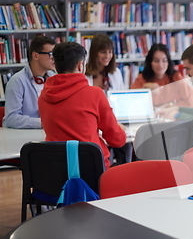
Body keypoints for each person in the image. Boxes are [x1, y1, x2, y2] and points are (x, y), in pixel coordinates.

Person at [38, 41, 126, 169]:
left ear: (55, 65)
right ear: (80, 66)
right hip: (93, 170)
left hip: (56, 171)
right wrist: (121, 131)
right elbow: (116, 140)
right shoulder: (95, 94)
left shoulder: (43, 97)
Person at [85, 33, 131, 165]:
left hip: (113, 121)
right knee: (103, 152)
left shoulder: (115, 73)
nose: (107, 56)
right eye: (103, 52)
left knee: (127, 145)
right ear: (94, 53)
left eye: (110, 52)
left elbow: (121, 98)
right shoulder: (85, 74)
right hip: (93, 123)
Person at [3, 35, 56, 128]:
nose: (54, 58)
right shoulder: (17, 81)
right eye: (50, 54)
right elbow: (11, 119)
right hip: (24, 136)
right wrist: (45, 122)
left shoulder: (54, 77)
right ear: (35, 55)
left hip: (49, 132)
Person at [130, 43, 193, 108]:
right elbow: (131, 103)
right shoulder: (142, 78)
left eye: (164, 61)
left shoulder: (175, 77)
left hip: (171, 116)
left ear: (168, 62)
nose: (160, 65)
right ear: (150, 62)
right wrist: (145, 91)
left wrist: (172, 106)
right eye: (156, 61)